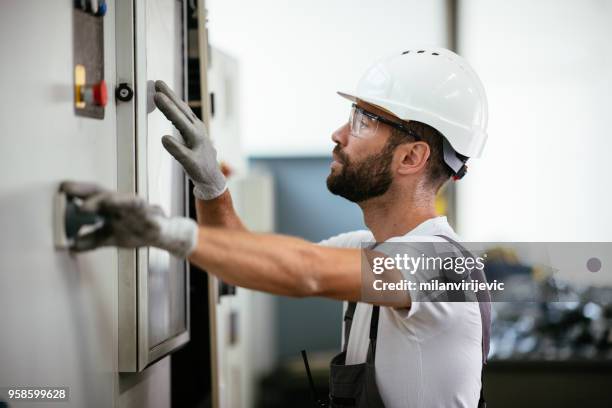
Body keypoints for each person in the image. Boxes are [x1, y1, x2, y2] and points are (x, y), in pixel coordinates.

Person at [62, 47, 490, 408]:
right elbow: (245, 257)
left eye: (362, 120)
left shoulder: (440, 267)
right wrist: (212, 188)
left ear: (411, 158)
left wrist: (163, 231)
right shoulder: (370, 247)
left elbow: (307, 271)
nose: (339, 133)